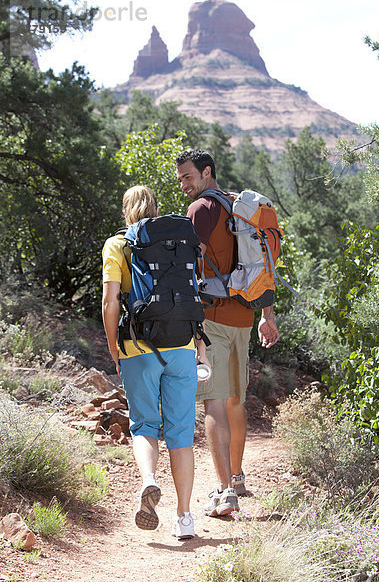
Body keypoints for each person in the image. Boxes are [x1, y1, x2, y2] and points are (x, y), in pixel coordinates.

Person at [102, 184, 210, 539]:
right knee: (180, 434)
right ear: (156, 208)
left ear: (125, 210)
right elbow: (194, 293)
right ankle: (184, 518)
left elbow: (110, 301)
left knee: (144, 425)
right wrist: (201, 348)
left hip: (138, 346)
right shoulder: (179, 244)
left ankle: (148, 480)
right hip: (181, 345)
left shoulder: (118, 245)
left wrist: (114, 348)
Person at [176, 150, 280, 516]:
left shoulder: (202, 209)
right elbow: (264, 265)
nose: (185, 185)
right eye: (182, 179)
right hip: (245, 318)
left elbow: (189, 263)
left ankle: (223, 492)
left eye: (189, 177)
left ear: (206, 173)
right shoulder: (240, 207)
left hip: (211, 319)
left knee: (213, 401)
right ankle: (237, 477)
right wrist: (268, 314)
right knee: (235, 400)